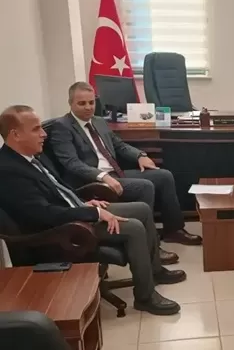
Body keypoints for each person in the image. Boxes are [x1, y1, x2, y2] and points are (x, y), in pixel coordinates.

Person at [0, 105, 186, 316]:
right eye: (36, 129)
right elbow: (45, 214)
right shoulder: (8, 170)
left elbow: (58, 190)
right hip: (60, 230)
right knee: (133, 227)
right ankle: (145, 297)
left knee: (142, 209)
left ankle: (155, 271)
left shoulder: (30, 156)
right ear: (15, 134)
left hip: (74, 210)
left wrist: (84, 201)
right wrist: (94, 214)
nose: (44, 134)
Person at [48, 81, 201, 246]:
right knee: (145, 186)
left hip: (114, 174)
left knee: (164, 176)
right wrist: (103, 176)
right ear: (70, 103)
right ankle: (149, 243)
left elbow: (119, 145)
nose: (88, 107)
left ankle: (174, 230)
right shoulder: (62, 127)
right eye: (82, 103)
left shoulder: (98, 121)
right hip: (91, 181)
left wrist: (140, 155)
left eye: (91, 103)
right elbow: (71, 163)